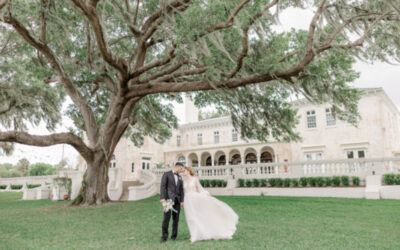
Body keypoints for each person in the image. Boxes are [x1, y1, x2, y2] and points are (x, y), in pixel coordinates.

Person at [182, 166, 239, 243]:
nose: (183, 172)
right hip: (188, 201)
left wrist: (207, 195)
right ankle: (194, 235)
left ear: (188, 171)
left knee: (197, 217)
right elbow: (184, 192)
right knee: (190, 218)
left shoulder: (195, 179)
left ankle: (198, 235)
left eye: (184, 170)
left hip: (195, 199)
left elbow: (200, 189)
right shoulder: (184, 181)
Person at [159, 162, 184, 243]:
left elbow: (181, 190)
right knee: (166, 218)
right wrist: (162, 197)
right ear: (177, 167)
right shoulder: (166, 174)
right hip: (168, 200)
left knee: (176, 219)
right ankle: (164, 236)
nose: (181, 170)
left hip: (177, 201)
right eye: (181, 168)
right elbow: (163, 186)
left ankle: (174, 236)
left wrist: (182, 201)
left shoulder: (180, 177)